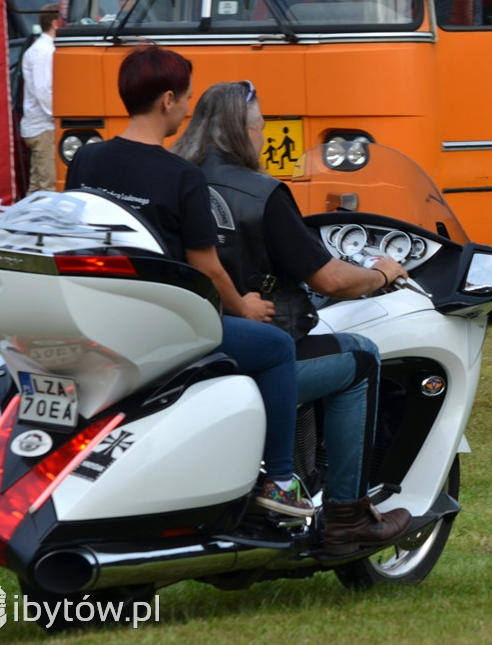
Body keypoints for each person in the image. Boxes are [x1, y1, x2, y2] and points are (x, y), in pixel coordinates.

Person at [64, 45, 313, 519]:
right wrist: (244, 307)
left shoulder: (88, 160)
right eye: (186, 98)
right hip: (160, 328)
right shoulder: (181, 175)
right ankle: (280, 480)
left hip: (95, 316)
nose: (186, 108)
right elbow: (207, 268)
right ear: (168, 100)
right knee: (276, 348)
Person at [171, 80, 413, 555]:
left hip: (188, 343)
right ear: (243, 131)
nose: (263, 136)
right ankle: (347, 516)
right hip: (251, 354)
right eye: (261, 127)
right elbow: (329, 281)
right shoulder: (263, 193)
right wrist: (381, 274)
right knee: (359, 358)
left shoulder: (178, 179)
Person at [20, 4, 61, 194]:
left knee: (37, 185)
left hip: (37, 125)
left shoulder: (40, 49)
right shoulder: (44, 51)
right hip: (42, 125)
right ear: (55, 23)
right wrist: (57, 115)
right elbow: (43, 88)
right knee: (47, 185)